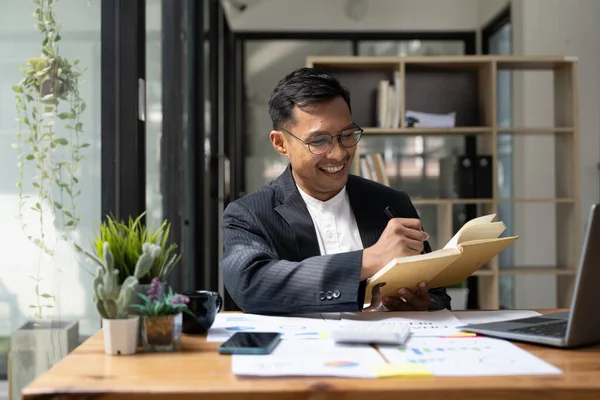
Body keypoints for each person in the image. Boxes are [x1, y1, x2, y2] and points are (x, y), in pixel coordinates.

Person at [220, 67, 451, 314]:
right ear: (280, 143)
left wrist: (423, 304)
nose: (339, 153)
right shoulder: (249, 214)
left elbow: (438, 296)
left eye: (347, 135)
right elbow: (251, 285)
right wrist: (369, 260)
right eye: (319, 141)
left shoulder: (392, 203)